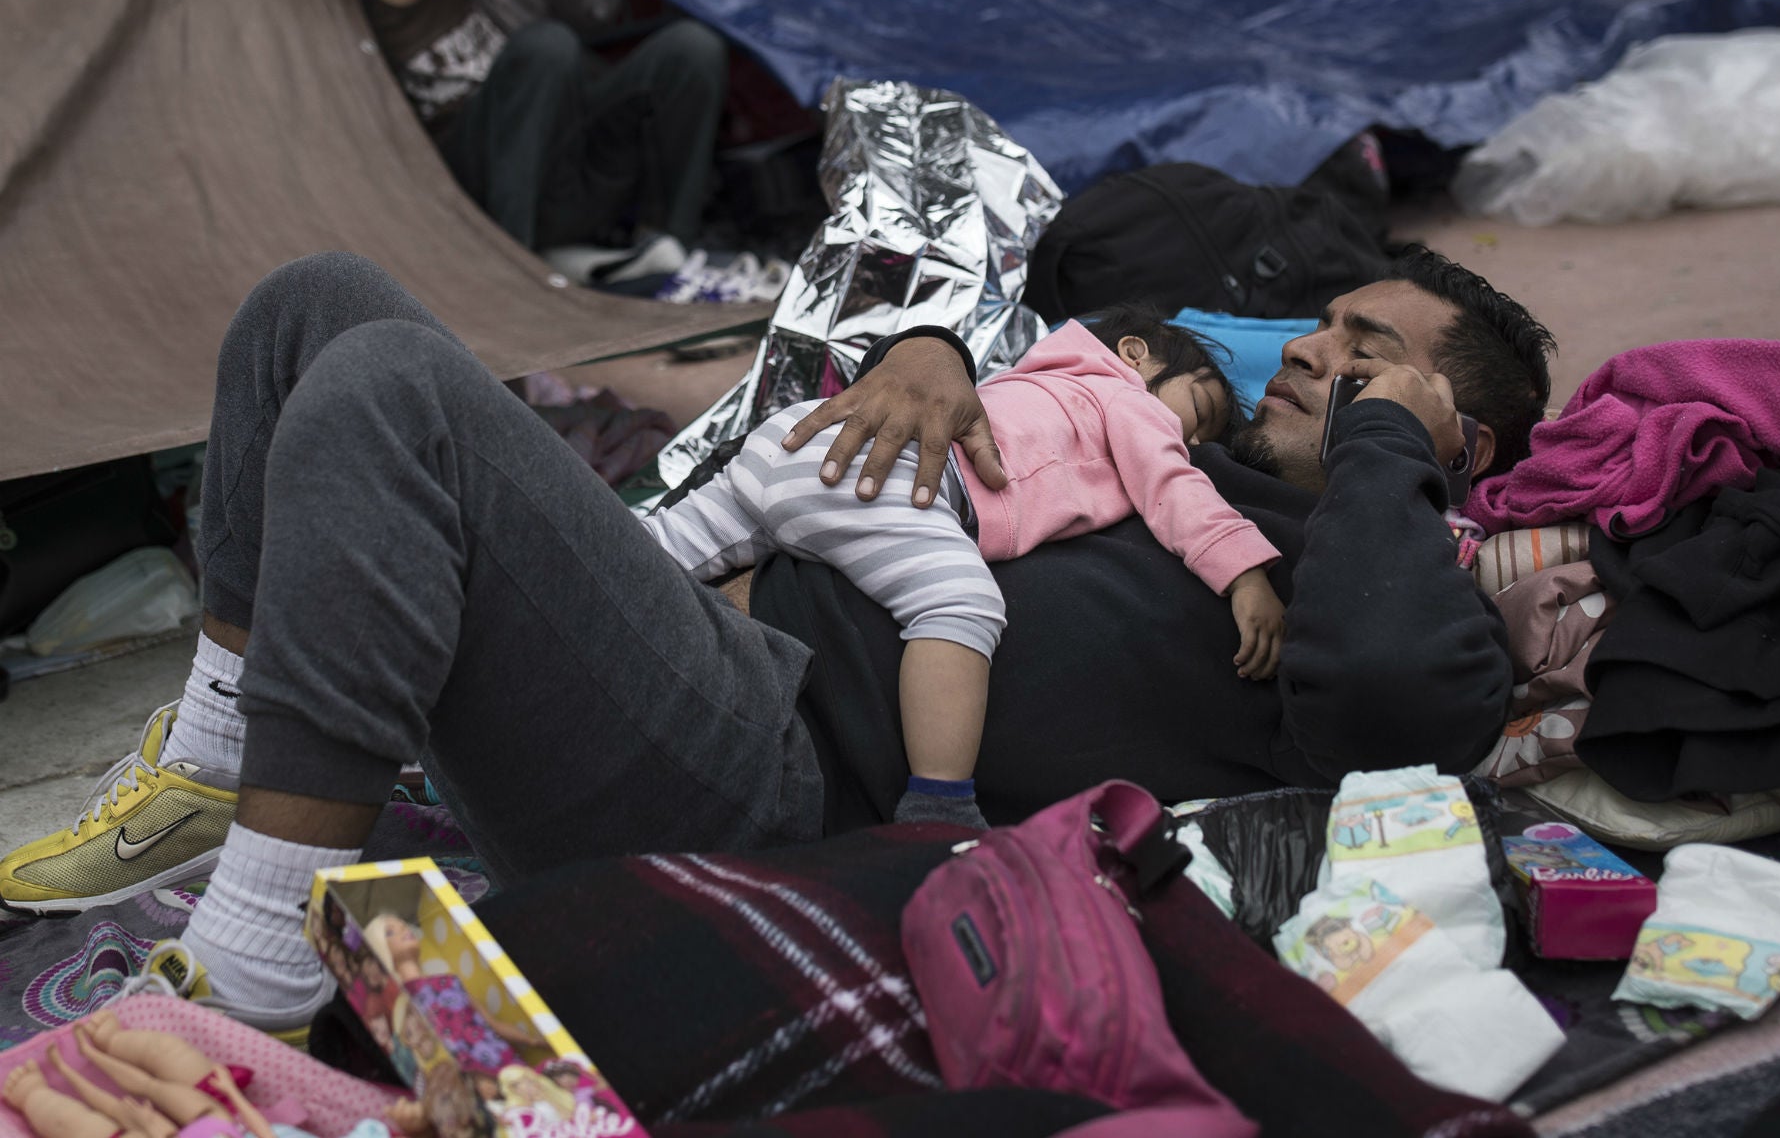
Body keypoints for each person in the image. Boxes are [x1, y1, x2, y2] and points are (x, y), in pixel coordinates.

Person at [0, 243, 1553, 1037]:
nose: (1309, 352)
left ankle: (259, 961)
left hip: (771, 772)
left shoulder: (1397, 575)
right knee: (312, 304)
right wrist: (940, 355)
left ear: (1450, 433)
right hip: (681, 631)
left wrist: (1384, 461)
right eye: (1323, 324)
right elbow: (1033, 375)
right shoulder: (1181, 446)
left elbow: (1393, 703)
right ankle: (218, 748)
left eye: (1367, 352)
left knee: (392, 388)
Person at [648, 308, 1286, 829]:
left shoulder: (1025, 380)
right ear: (1135, 355)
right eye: (1198, 410)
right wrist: (1244, 573)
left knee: (649, 553)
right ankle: (940, 806)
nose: (1194, 443)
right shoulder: (1125, 400)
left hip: (792, 444)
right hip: (894, 473)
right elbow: (1176, 489)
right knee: (961, 607)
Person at [331, 0, 728, 263]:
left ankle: (675, 251)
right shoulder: (344, 8)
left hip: (570, 146)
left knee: (691, 50)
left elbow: (602, 5)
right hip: (477, 188)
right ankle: (516, 271)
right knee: (545, 48)